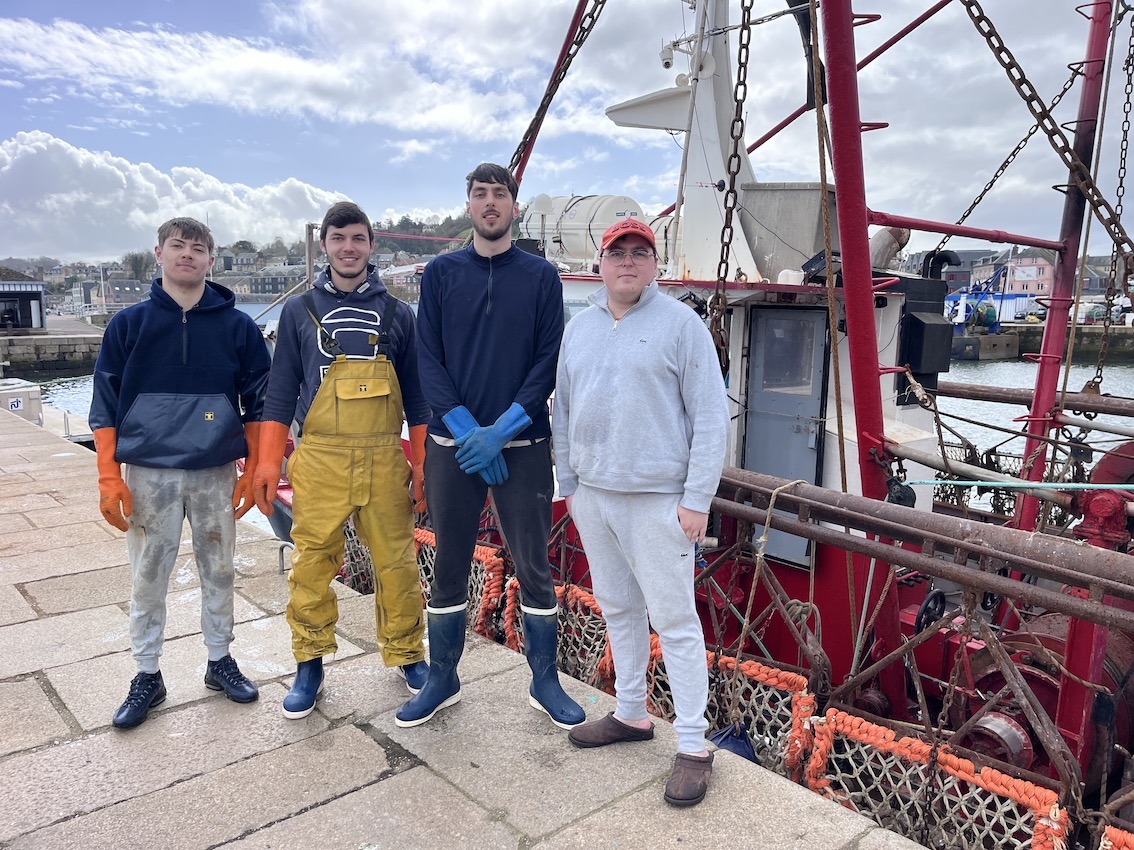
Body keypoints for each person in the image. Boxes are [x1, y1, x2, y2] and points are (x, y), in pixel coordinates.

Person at [396, 163, 584, 730]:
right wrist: (467, 430)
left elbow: (547, 360)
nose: (490, 202)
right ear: (469, 206)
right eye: (480, 194)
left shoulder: (541, 277)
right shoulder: (441, 274)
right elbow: (428, 359)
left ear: (513, 206)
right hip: (452, 445)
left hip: (521, 443)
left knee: (534, 564)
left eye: (499, 193)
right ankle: (442, 677)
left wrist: (498, 433)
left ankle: (544, 680)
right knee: (449, 561)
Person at [552, 217, 729, 807]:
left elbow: (710, 416)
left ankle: (694, 745)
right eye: (617, 252)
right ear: (600, 264)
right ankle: (630, 712)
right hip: (594, 496)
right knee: (619, 608)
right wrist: (570, 485)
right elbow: (562, 409)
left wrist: (697, 500)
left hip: (658, 501)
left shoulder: (682, 325)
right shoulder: (579, 329)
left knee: (675, 621)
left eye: (639, 252)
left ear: (655, 264)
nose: (627, 261)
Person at [89, 216, 270, 729]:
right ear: (159, 254)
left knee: (221, 568)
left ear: (212, 259)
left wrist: (255, 466)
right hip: (148, 471)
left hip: (216, 468)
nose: (187, 254)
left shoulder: (238, 327)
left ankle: (220, 659)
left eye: (197, 247)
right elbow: (105, 403)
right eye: (177, 245)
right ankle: (147, 673)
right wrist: (109, 475)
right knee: (148, 574)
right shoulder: (128, 325)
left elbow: (259, 400)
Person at [252, 201, 430, 719]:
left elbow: (418, 399)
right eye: (338, 238)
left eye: (357, 238)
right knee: (311, 562)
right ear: (324, 245)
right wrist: (268, 462)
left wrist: (423, 465)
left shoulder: (399, 314)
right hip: (320, 459)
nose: (348, 248)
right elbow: (279, 393)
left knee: (397, 563)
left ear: (371, 246)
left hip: (384, 457)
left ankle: (408, 654)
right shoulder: (298, 311)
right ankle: (308, 663)